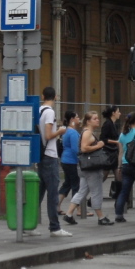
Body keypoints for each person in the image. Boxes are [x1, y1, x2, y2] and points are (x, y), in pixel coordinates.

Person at [34, 86, 71, 237]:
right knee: (52, 194)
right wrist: (60, 131)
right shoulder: (49, 112)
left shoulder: (38, 110)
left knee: (38, 193)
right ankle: (54, 227)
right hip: (49, 155)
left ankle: (26, 224)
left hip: (41, 155)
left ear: (43, 95)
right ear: (55, 97)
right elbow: (49, 135)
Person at [66, 111, 114, 225]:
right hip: (92, 168)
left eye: (97, 118)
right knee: (96, 192)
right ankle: (101, 218)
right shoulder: (87, 133)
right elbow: (83, 148)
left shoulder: (86, 132)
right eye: (94, 118)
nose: (97, 120)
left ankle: (68, 214)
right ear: (88, 121)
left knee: (82, 191)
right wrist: (99, 145)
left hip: (85, 168)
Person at [57, 112, 80, 217]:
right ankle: (79, 209)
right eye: (77, 117)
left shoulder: (66, 131)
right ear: (72, 119)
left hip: (65, 159)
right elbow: (76, 149)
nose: (79, 119)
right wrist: (80, 159)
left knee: (67, 183)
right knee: (76, 185)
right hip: (71, 161)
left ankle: (56, 205)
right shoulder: (73, 133)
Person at [100, 105, 122, 198]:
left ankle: (119, 197)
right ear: (113, 113)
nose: (119, 113)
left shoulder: (114, 124)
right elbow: (103, 139)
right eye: (118, 111)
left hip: (114, 153)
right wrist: (116, 142)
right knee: (104, 176)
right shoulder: (107, 124)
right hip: (108, 153)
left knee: (118, 176)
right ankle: (92, 196)